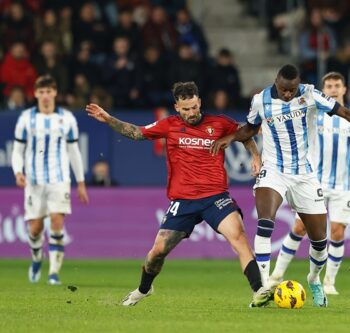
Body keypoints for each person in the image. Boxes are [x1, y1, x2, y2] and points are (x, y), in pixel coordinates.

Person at [210, 64, 350, 307]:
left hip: (305, 175)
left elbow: (346, 113)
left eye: (292, 90)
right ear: (276, 83)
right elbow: (249, 128)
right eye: (284, 90)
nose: (288, 94)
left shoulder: (311, 94)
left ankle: (314, 279)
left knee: (320, 242)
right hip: (274, 170)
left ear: (298, 85)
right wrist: (230, 137)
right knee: (265, 222)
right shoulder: (261, 100)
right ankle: (261, 288)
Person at [86, 82, 272, 307]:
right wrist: (108, 119)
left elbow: (245, 135)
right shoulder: (169, 125)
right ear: (177, 107)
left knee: (239, 236)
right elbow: (136, 133)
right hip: (183, 201)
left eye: (194, 107)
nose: (191, 113)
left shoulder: (220, 123)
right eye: (186, 109)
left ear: (199, 102)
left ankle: (259, 291)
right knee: (157, 252)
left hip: (216, 197)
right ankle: (144, 289)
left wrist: (255, 156)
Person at [269, 72, 350, 295]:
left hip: (343, 186)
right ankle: (276, 274)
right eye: (328, 85)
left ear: (344, 89)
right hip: (314, 183)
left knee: (338, 232)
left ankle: (329, 282)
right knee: (300, 227)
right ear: (323, 90)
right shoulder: (313, 114)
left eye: (336, 85)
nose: (332, 89)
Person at [11, 75, 89, 285]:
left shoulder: (67, 118)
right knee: (35, 228)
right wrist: (18, 171)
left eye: (49, 92)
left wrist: (80, 183)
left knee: (56, 222)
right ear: (35, 94)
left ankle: (54, 273)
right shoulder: (26, 118)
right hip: (34, 181)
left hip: (59, 178)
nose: (45, 96)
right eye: (41, 92)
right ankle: (37, 257)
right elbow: (18, 151)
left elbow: (74, 152)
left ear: (55, 93)